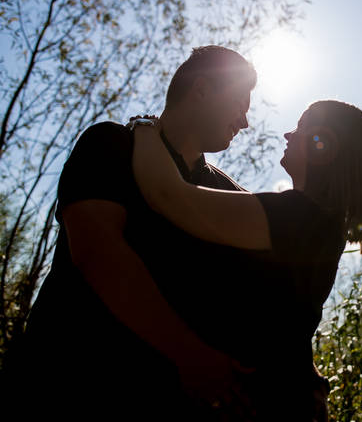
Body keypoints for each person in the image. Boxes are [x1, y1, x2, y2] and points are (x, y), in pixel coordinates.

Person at [1, 46, 258, 420]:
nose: (245, 121)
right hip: (58, 387)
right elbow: (97, 252)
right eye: (240, 104)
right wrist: (190, 354)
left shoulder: (227, 194)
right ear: (202, 90)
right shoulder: (110, 145)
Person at [130, 99, 362, 421]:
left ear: (324, 147)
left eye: (302, 127)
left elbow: (168, 196)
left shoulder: (301, 219)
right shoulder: (316, 222)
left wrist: (144, 127)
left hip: (273, 403)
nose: (289, 134)